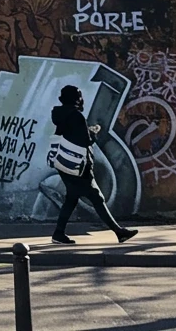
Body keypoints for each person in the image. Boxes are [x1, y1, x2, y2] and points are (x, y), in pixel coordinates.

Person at [50, 85, 137, 245]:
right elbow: (86, 140)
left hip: (65, 163)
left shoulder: (59, 114)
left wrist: (86, 131)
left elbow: (68, 135)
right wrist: (94, 132)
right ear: (76, 99)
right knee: (96, 197)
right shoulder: (76, 116)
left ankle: (58, 233)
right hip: (79, 166)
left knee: (72, 198)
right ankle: (119, 232)